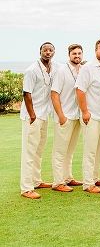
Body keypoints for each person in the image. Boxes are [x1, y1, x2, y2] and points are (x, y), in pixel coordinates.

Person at [20, 42, 60, 198]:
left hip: (44, 115)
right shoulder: (32, 70)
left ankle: (36, 181)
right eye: (45, 50)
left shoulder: (55, 67)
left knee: (39, 149)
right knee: (29, 151)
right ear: (40, 52)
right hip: (32, 116)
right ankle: (26, 188)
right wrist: (32, 115)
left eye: (50, 50)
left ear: (54, 53)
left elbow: (69, 68)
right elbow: (26, 93)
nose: (48, 52)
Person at [76, 38, 100, 193]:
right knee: (90, 150)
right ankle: (88, 183)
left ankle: (95, 177)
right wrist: (85, 111)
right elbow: (80, 90)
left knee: (99, 150)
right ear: (96, 50)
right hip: (91, 116)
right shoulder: (88, 68)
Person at [50, 43, 84, 192]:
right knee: (60, 151)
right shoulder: (61, 71)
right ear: (69, 55)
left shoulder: (83, 70)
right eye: (74, 53)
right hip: (65, 116)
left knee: (70, 150)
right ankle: (58, 182)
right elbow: (54, 94)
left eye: (79, 53)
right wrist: (61, 116)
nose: (77, 56)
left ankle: (68, 177)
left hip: (77, 116)